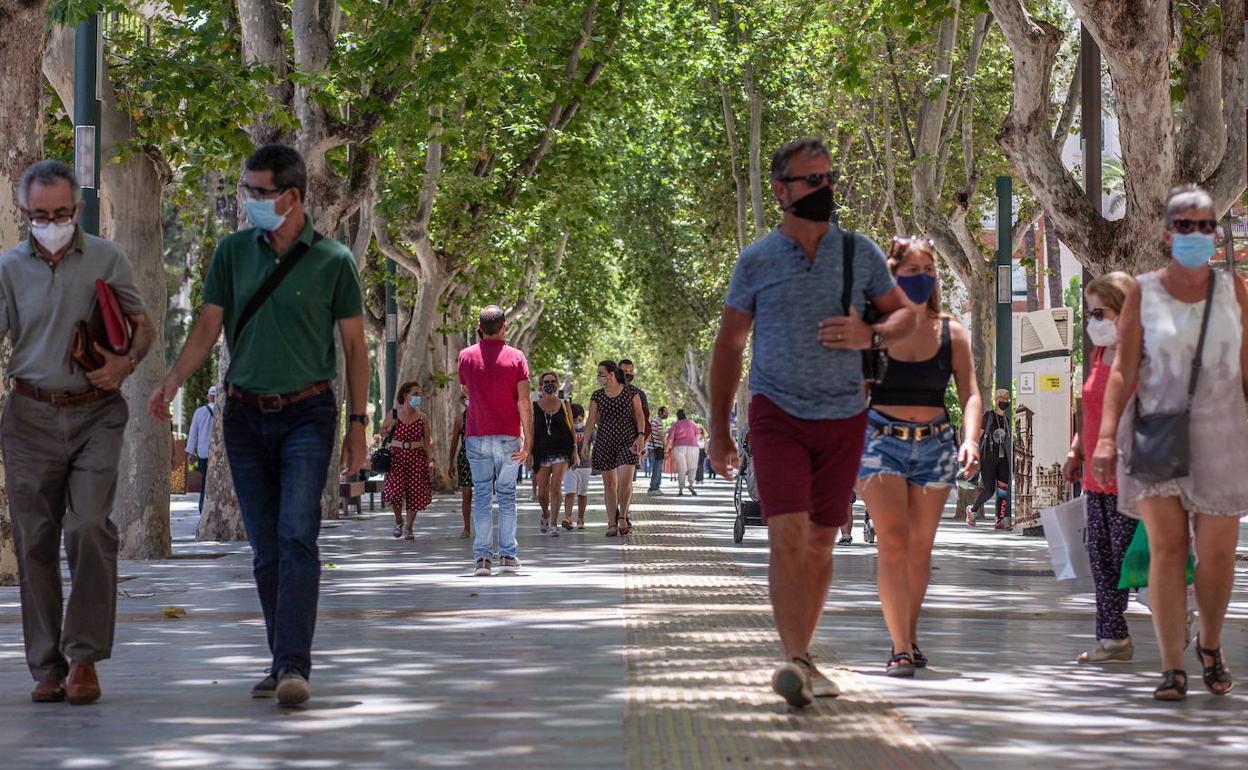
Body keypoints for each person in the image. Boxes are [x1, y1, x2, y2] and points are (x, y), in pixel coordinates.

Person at [149, 144, 369, 707]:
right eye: (246, 189)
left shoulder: (334, 260)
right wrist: (172, 380)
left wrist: (358, 425)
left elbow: (354, 347)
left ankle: (293, 665)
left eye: (257, 191)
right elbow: (207, 327)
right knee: (266, 548)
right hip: (244, 417)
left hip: (309, 415)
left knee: (297, 534)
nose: (247, 200)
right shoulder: (232, 253)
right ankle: (281, 659)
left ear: (292, 197)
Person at [707, 137, 918, 708]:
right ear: (782, 191)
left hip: (844, 414)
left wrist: (871, 334)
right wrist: (719, 428)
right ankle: (796, 658)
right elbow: (730, 343)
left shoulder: (858, 253)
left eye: (829, 178)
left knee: (823, 538)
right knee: (787, 533)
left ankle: (803, 656)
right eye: (813, 180)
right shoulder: (757, 260)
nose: (826, 189)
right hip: (776, 413)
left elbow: (906, 316)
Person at [3, 159, 154, 706]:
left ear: (79, 209)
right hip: (28, 416)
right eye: (39, 215)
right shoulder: (8, 268)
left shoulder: (107, 258)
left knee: (89, 525)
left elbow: (142, 326)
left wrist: (125, 365)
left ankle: (84, 658)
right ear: (24, 211)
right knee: (34, 541)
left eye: (61, 213)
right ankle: (48, 666)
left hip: (96, 412)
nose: (50, 223)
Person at [1093, 184, 1248, 701]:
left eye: (1205, 226)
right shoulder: (1144, 291)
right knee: (1167, 548)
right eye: (1185, 226)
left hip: (1222, 436)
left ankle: (1210, 643)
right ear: (1167, 234)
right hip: (1157, 432)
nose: (1196, 234)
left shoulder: (1234, 290)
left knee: (1218, 555)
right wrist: (1104, 438)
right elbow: (1123, 370)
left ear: (1215, 234)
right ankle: (1170, 665)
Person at [855, 236, 982, 676]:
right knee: (892, 540)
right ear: (892, 276)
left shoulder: (951, 331)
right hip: (879, 442)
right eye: (912, 271)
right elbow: (855, 393)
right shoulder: (873, 331)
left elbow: (970, 393)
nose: (923, 278)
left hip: (936, 444)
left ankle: (907, 636)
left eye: (929, 270)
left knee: (919, 549)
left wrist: (971, 440)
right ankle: (900, 647)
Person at [1061, 271, 1140, 664]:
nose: (1093, 322)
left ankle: (1179, 611)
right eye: (1089, 314)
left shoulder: (1142, 359)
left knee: (1133, 558)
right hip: (1095, 479)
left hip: (1132, 478)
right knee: (1102, 559)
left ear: (1124, 312)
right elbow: (1090, 412)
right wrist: (1076, 451)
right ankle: (1113, 638)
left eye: (1099, 313)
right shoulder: (1097, 356)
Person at [458, 305, 532, 577]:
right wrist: (529, 440)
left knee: (481, 494)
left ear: (479, 327)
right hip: (508, 435)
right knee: (507, 495)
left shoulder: (465, 356)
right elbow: (524, 400)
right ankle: (508, 556)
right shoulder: (517, 357)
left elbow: (465, 389)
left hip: (476, 434)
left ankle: (482, 559)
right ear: (504, 327)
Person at [581, 360, 646, 536]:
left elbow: (640, 415)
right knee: (609, 484)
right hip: (605, 441)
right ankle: (611, 522)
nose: (598, 377)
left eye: (601, 374)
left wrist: (641, 435)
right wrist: (585, 442)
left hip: (628, 441)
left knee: (625, 483)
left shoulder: (631, 392)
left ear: (611, 374)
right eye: (598, 374)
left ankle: (623, 516)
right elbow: (591, 420)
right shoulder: (597, 396)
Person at [380, 381, 434, 541]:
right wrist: (390, 427)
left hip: (417, 458)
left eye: (419, 394)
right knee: (394, 491)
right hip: (396, 457)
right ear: (405, 395)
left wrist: (431, 460)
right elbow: (382, 432)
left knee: (415, 493)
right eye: (415, 394)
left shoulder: (423, 418)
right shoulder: (393, 414)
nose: (418, 397)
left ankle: (409, 528)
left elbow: (427, 441)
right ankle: (399, 521)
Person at [532, 371, 577, 537]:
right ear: (541, 385)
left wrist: (575, 450)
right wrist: (527, 451)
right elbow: (530, 430)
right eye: (546, 382)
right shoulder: (534, 406)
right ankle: (545, 513)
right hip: (541, 451)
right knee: (542, 492)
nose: (549, 384)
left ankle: (553, 524)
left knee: (556, 486)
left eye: (552, 381)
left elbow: (572, 428)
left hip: (562, 449)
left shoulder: (565, 404)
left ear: (557, 384)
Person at [966, 389, 1011, 528]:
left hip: (1002, 457)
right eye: (1003, 398)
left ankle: (999, 520)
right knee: (989, 490)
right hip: (988, 456)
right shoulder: (988, 416)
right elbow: (977, 435)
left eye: (1008, 399)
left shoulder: (1007, 420)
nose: (1006, 401)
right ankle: (972, 510)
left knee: (1003, 489)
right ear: (996, 400)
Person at [185, 385, 217, 513]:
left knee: (204, 481)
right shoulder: (223, 410)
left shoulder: (199, 412)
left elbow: (193, 433)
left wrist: (191, 452)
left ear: (208, 397)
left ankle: (202, 509)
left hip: (203, 453)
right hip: (219, 455)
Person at [447, 395, 473, 539]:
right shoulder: (460, 419)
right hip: (465, 457)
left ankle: (483, 527)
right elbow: (454, 442)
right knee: (466, 494)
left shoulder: (484, 415)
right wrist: (450, 463)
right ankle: (466, 527)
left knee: (483, 494)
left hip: (483, 457)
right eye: (466, 398)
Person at [563, 403, 593, 529]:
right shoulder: (566, 430)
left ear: (582, 417)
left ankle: (581, 518)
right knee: (569, 492)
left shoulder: (588, 431)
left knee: (582, 493)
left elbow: (595, 443)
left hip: (585, 466)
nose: (576, 421)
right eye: (573, 418)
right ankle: (568, 518)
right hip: (569, 466)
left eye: (578, 418)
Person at [665, 409, 701, 496]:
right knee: (692, 467)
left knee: (681, 468)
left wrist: (666, 450)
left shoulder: (675, 425)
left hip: (679, 447)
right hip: (693, 447)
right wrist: (694, 441)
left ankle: (681, 489)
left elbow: (670, 439)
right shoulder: (692, 423)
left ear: (677, 416)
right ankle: (691, 484)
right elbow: (698, 434)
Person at [647, 406, 668, 493]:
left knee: (656, 468)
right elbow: (660, 434)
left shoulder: (653, 420)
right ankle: (653, 488)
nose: (667, 414)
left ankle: (656, 487)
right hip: (657, 448)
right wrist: (665, 445)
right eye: (665, 412)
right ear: (660, 412)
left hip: (652, 447)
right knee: (657, 468)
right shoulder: (658, 421)